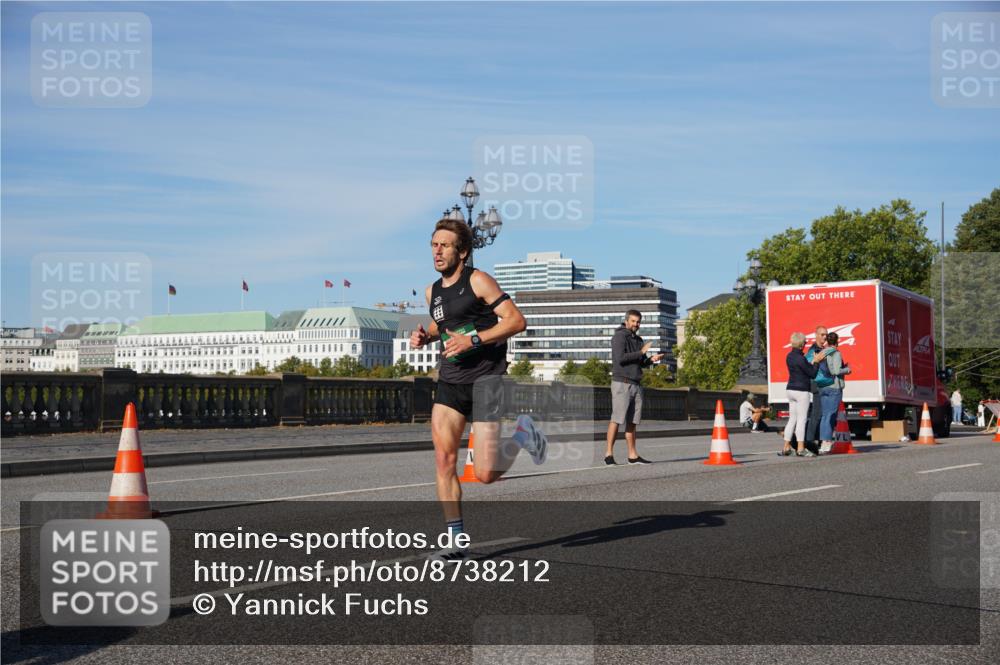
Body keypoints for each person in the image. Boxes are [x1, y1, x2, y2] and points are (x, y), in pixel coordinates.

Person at [410, 218, 548, 561]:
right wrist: (426, 335)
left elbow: (516, 320)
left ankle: (523, 436)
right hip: (451, 383)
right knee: (444, 460)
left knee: (485, 475)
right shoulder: (432, 291)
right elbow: (443, 324)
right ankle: (456, 541)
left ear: (463, 251)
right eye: (434, 244)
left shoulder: (479, 280)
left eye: (445, 245)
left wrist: (473, 338)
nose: (437, 250)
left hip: (487, 382)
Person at [605, 309, 665, 465]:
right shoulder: (619, 336)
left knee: (632, 422)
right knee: (616, 419)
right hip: (622, 382)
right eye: (633, 321)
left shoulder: (638, 339)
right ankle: (608, 454)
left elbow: (641, 362)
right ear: (626, 321)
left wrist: (651, 359)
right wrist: (641, 352)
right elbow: (620, 359)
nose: (636, 324)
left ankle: (632, 455)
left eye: (638, 322)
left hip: (636, 384)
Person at [780, 332, 823, 457]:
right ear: (801, 344)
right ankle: (800, 448)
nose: (805, 344)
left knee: (792, 419)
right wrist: (816, 361)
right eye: (804, 342)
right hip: (801, 391)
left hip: (790, 389)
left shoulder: (789, 356)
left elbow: (801, 370)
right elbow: (812, 374)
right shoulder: (800, 358)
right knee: (801, 420)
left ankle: (786, 447)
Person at [817, 331, 851, 452]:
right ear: (837, 341)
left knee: (825, 415)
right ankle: (826, 442)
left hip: (823, 386)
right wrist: (847, 369)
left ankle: (823, 442)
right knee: (831, 416)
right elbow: (836, 371)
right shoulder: (836, 353)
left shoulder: (822, 352)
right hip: (834, 387)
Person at [802, 325, 828, 454]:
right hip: (816, 384)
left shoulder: (821, 349)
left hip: (821, 384)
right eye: (822, 334)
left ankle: (815, 440)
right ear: (816, 335)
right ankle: (809, 441)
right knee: (816, 414)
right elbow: (807, 364)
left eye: (826, 335)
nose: (825, 337)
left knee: (820, 414)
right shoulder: (814, 350)